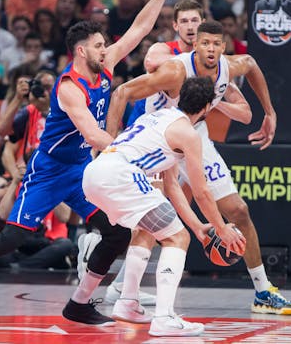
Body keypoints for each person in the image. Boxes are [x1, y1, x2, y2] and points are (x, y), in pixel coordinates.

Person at [0, 0, 185, 328]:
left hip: (81, 171)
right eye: (98, 45)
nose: (105, 49)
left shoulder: (105, 65)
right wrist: (133, 149)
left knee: (116, 233)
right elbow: (93, 134)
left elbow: (139, 30)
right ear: (81, 51)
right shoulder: (68, 88)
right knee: (10, 238)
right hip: (48, 171)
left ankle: (79, 303)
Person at [106, 21, 291, 316]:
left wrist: (270, 113)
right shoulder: (174, 69)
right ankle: (127, 294)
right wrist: (109, 144)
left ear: (223, 46)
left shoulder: (228, 66)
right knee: (152, 220)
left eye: (216, 43)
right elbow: (121, 92)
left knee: (238, 210)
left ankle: (263, 292)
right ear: (194, 45)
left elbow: (250, 63)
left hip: (194, 136)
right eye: (205, 43)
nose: (210, 49)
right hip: (161, 138)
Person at [85, 76, 246, 336]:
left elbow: (171, 186)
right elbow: (202, 192)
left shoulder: (159, 117)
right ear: (207, 108)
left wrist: (198, 228)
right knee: (176, 237)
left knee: (151, 227)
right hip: (119, 176)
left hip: (96, 174)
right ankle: (164, 317)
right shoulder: (188, 134)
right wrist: (221, 228)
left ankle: (127, 301)